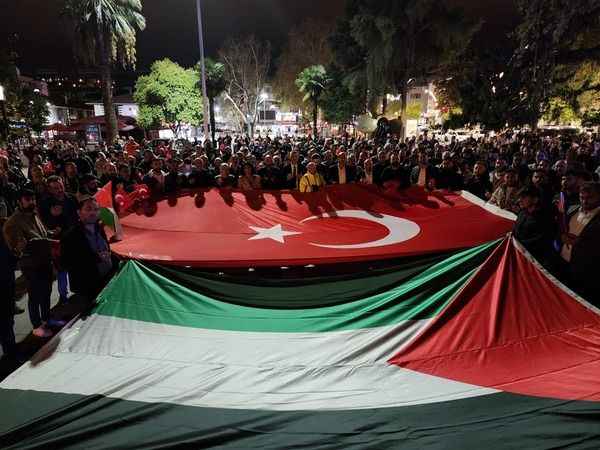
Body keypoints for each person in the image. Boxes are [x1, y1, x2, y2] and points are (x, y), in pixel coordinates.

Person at [3, 189, 58, 338]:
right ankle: (36, 326)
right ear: (19, 201)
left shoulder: (34, 214)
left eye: (33, 198)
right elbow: (20, 247)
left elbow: (42, 233)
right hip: (31, 265)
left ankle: (47, 318)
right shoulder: (13, 222)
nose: (32, 202)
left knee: (46, 292)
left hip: (45, 260)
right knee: (35, 295)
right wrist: (47, 242)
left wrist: (52, 233)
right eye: (28, 199)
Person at [61, 196, 116, 301]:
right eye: (88, 209)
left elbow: (106, 250)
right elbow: (66, 262)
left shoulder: (99, 229)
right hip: (88, 288)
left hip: (107, 281)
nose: (93, 212)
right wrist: (96, 258)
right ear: (79, 212)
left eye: (96, 209)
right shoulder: (70, 236)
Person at [559, 182, 600, 302]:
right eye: (582, 197)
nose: (585, 201)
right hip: (563, 261)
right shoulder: (572, 209)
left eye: (589, 198)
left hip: (585, 270)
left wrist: (579, 243)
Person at [513, 187, 556, 265]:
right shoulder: (522, 213)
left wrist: (518, 245)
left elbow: (540, 240)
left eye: (523, 197)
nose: (519, 200)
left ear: (535, 199)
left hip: (535, 261)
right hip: (519, 256)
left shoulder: (545, 218)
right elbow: (516, 230)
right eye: (519, 198)